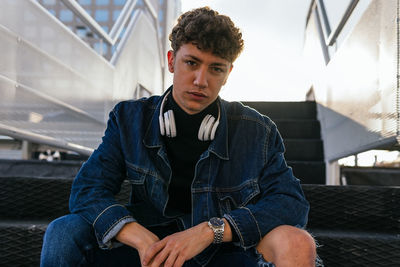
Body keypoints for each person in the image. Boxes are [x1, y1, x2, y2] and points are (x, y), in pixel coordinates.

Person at [41, 6, 318, 267]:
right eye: (192, 63)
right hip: (149, 250)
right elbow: (88, 190)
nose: (201, 80)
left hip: (220, 251)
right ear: (172, 61)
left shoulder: (258, 131)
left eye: (216, 68)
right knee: (63, 231)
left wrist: (211, 231)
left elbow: (290, 202)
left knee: (296, 241)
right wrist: (139, 236)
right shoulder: (129, 119)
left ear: (228, 74)